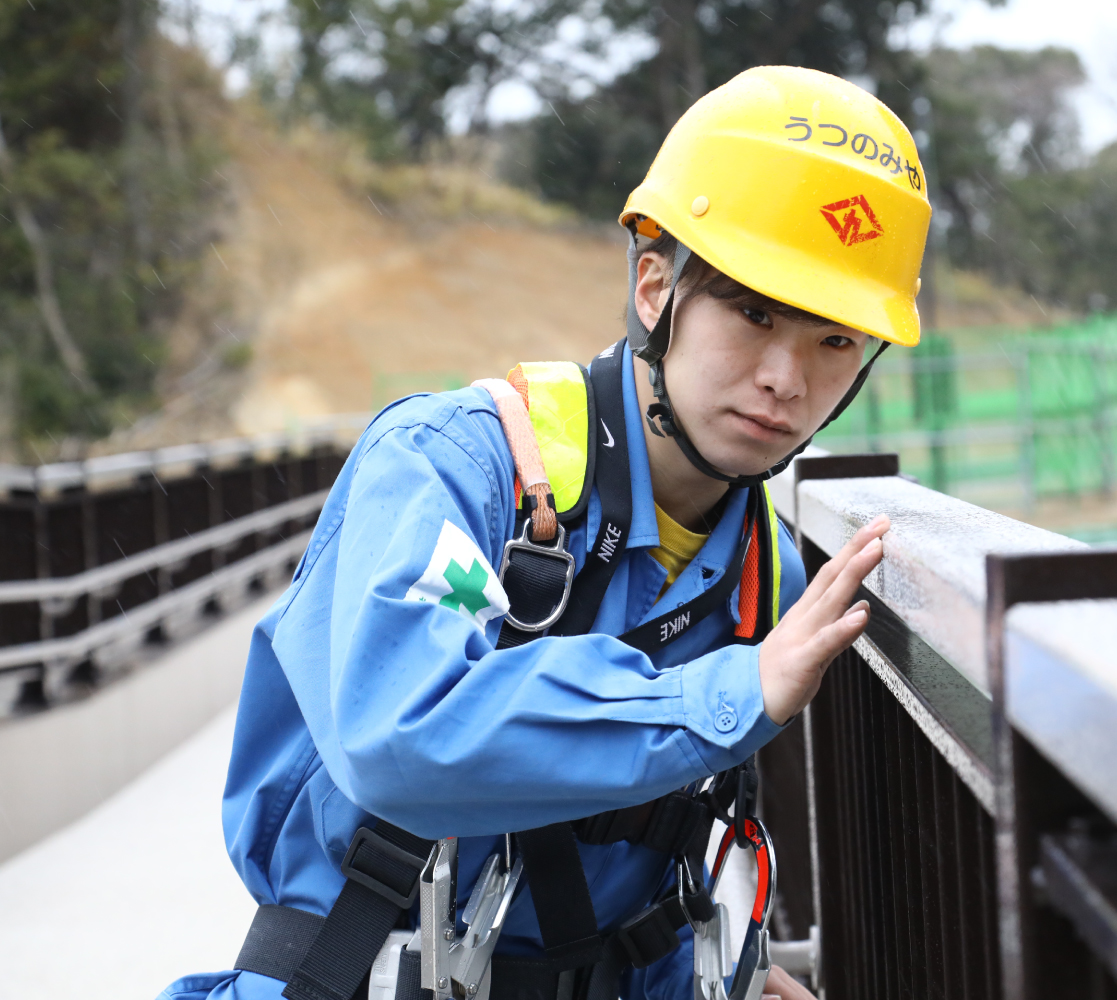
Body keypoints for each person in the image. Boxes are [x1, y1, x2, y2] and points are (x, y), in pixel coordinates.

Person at [160, 64, 929, 1000]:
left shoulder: (768, 572)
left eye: (835, 341)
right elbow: (402, 733)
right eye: (754, 312)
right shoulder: (454, 468)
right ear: (657, 290)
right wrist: (727, 695)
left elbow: (628, 879)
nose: (785, 376)